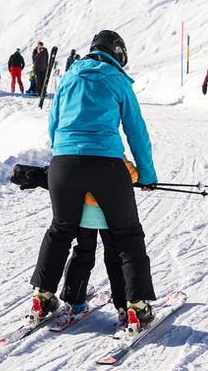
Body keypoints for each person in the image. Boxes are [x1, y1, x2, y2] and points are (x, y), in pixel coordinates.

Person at [28, 29, 158, 332]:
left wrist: (62, 156)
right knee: (126, 233)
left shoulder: (70, 76)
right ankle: (136, 307)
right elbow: (136, 130)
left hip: (63, 163)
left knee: (61, 230)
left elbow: (54, 124)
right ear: (119, 53)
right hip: (106, 164)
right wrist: (147, 174)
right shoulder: (117, 80)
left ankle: (42, 297)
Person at [61, 160, 139, 318]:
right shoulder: (115, 159)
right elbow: (133, 175)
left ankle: (74, 301)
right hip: (110, 218)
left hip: (83, 218)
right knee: (115, 257)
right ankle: (125, 307)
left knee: (82, 252)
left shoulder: (79, 160)